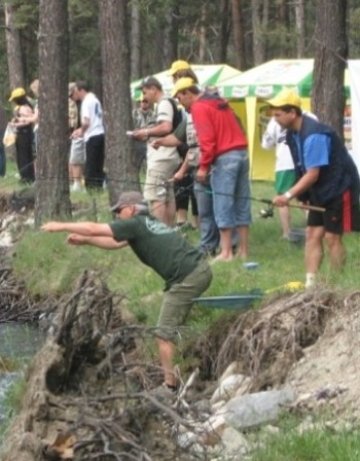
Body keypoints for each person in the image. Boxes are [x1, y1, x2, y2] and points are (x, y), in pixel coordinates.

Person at [41, 190, 212, 392]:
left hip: (187, 278)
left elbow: (93, 227)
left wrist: (60, 226)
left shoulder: (134, 224)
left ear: (130, 209)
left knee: (163, 335)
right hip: (199, 270)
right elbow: (116, 242)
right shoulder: (146, 223)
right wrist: (86, 241)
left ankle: (170, 387)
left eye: (119, 211)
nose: (117, 216)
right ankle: (183, 365)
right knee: (169, 328)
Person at [269, 88, 360, 288]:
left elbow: (313, 173)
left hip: (339, 187)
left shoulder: (313, 135)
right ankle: (310, 285)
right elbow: (302, 167)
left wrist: (288, 195)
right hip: (320, 190)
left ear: (292, 113)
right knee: (312, 233)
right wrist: (305, 197)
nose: (274, 118)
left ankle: (336, 284)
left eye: (278, 114)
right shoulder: (293, 134)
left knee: (331, 237)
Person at [173, 77, 251, 262]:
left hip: (224, 158)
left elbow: (207, 141)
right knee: (242, 203)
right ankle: (243, 251)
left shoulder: (199, 107)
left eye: (179, 97)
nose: (179, 102)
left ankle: (226, 253)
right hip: (242, 154)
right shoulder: (219, 102)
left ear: (187, 93)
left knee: (222, 204)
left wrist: (204, 166)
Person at [132, 76, 181, 226]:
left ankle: (160, 232)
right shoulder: (168, 102)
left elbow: (166, 127)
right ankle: (170, 230)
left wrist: (146, 132)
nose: (144, 97)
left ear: (154, 89)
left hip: (162, 156)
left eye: (146, 92)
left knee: (155, 197)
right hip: (170, 155)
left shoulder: (164, 103)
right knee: (167, 195)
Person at [168, 60, 199, 230]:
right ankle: (182, 219)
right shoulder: (182, 95)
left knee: (194, 184)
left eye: (174, 76)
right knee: (182, 182)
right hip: (185, 143)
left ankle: (197, 221)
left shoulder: (191, 92)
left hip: (193, 144)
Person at [71, 81, 105, 191]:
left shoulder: (86, 102)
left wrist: (81, 131)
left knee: (90, 164)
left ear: (82, 90)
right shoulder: (95, 100)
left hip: (92, 134)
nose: (75, 95)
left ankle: (91, 187)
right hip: (100, 133)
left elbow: (86, 121)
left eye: (76, 92)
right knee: (98, 163)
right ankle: (98, 186)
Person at [9, 87, 35, 183]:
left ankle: (25, 177)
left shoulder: (23, 108)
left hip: (23, 134)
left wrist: (15, 124)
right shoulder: (29, 106)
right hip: (28, 134)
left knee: (23, 156)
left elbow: (27, 122)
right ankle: (30, 176)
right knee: (28, 155)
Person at [68, 82, 85, 191]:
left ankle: (76, 181)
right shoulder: (72, 103)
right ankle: (74, 181)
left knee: (74, 159)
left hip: (78, 133)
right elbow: (72, 121)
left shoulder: (80, 103)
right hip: (72, 133)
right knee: (73, 159)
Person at [132, 95, 155, 172]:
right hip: (137, 143)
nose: (144, 103)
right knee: (136, 165)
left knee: (151, 164)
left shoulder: (153, 114)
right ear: (140, 103)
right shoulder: (134, 113)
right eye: (143, 102)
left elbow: (154, 127)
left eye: (146, 102)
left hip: (149, 142)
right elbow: (133, 128)